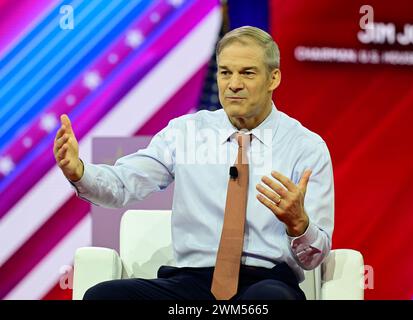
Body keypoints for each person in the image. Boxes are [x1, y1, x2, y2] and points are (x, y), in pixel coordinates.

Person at [53, 26, 334, 300]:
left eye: (247, 73)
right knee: (103, 297)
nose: (234, 84)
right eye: (225, 72)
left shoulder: (306, 148)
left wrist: (299, 224)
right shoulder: (185, 132)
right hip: (190, 283)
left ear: (273, 78)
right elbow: (124, 184)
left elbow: (315, 258)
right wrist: (79, 172)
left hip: (267, 282)